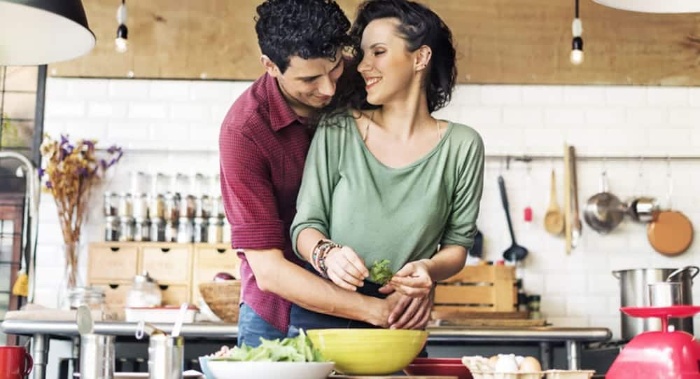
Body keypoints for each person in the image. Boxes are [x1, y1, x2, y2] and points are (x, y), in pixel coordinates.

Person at [219, 0, 428, 348]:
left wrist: (422, 280)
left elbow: (415, 179)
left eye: (333, 69)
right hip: (283, 311)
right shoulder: (244, 132)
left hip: (380, 293)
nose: (329, 89)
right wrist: (377, 312)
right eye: (309, 79)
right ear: (270, 65)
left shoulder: (363, 80)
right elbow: (269, 270)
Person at [290, 0, 485, 331]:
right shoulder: (339, 128)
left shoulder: (462, 146)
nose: (363, 66)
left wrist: (427, 270)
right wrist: (327, 254)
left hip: (400, 317)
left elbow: (456, 247)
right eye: (363, 54)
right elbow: (305, 226)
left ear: (420, 57)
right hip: (326, 312)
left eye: (377, 52)